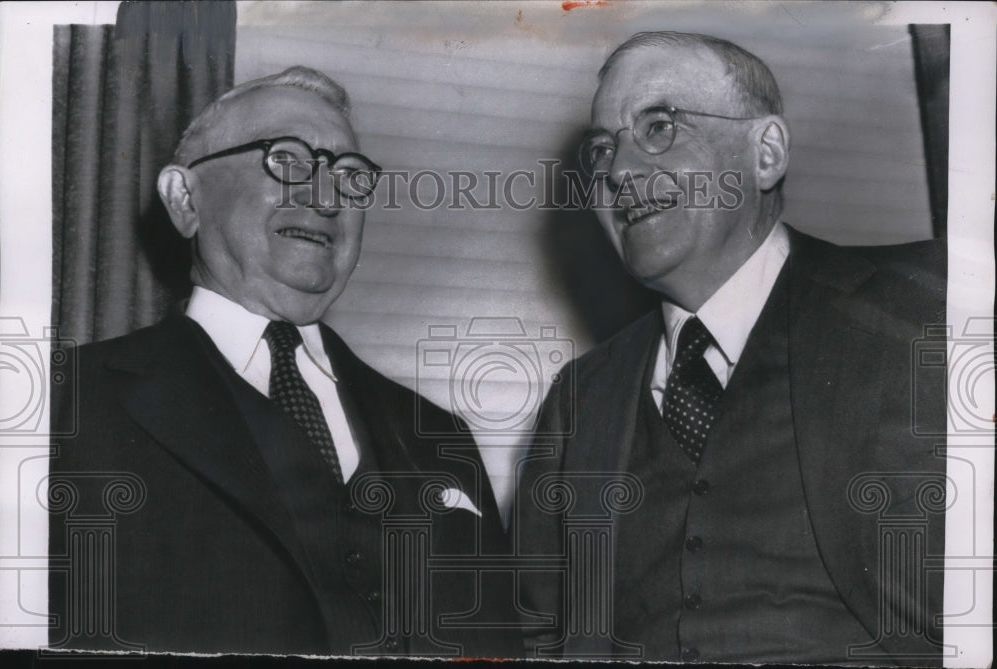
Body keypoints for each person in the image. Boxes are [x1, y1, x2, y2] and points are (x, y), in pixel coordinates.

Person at [49, 66, 519, 657]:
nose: (326, 198)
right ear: (184, 198)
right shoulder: (62, 405)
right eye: (288, 160)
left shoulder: (441, 434)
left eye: (349, 177)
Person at [516, 32, 947, 664]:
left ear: (766, 153)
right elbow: (537, 636)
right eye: (602, 150)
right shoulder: (578, 402)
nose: (618, 171)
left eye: (659, 126)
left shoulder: (922, 311)